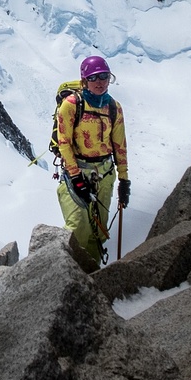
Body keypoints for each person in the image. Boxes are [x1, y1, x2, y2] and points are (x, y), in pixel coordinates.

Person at [55, 55, 130, 265]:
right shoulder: (71, 105)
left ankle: (92, 274)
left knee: (98, 230)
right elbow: (64, 143)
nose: (100, 82)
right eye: (93, 78)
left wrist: (124, 179)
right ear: (84, 81)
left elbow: (120, 145)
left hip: (105, 175)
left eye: (104, 76)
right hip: (77, 173)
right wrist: (75, 177)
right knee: (77, 227)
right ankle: (66, 273)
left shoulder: (114, 108)